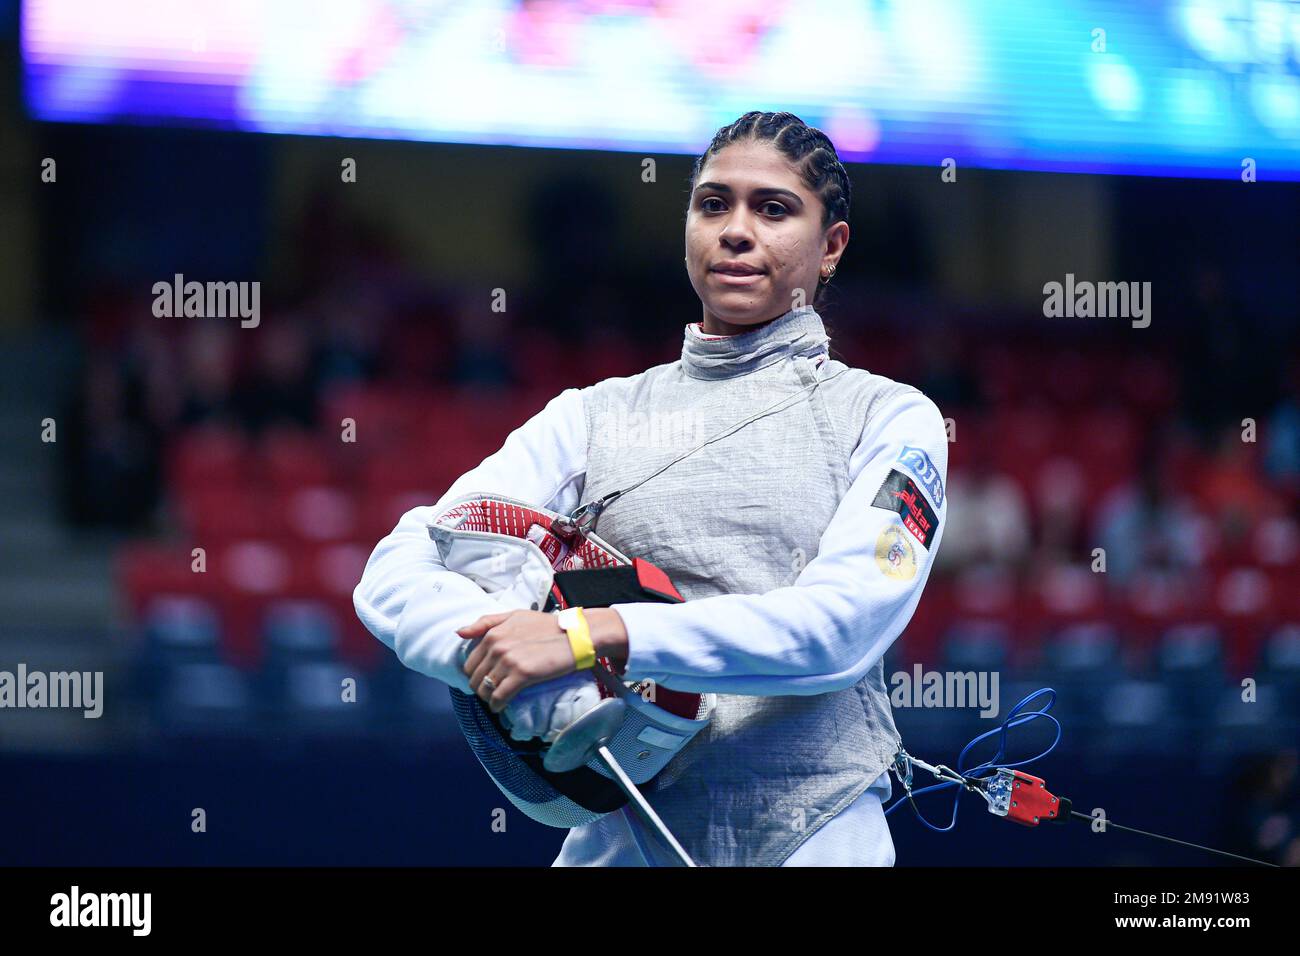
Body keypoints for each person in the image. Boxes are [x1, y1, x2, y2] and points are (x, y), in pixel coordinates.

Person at [353, 111, 949, 866]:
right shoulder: (593, 414)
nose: (736, 230)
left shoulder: (889, 415)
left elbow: (839, 629)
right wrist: (511, 664)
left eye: (772, 208)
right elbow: (400, 566)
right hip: (621, 836)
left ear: (830, 247)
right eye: (712, 204)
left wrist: (588, 638)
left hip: (818, 832)